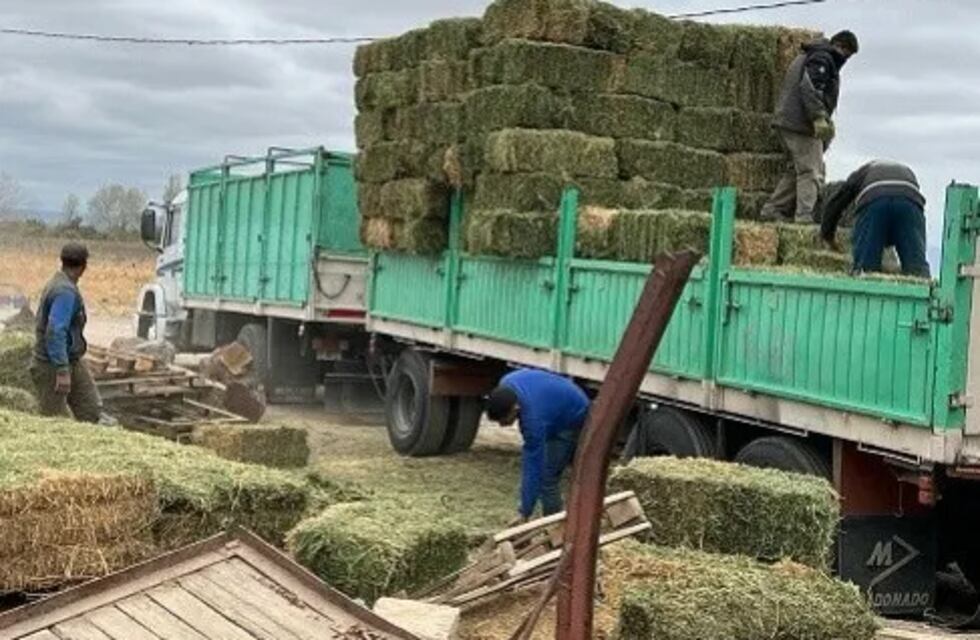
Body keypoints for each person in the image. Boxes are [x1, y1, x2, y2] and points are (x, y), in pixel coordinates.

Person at [761, 30, 860, 223]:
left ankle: (773, 209)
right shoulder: (822, 58)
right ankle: (804, 217)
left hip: (786, 121)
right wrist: (819, 118)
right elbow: (810, 88)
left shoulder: (812, 54)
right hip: (800, 124)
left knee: (796, 169)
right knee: (812, 171)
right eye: (847, 54)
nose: (846, 59)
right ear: (840, 46)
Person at [485, 368, 590, 521]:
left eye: (503, 420)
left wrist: (524, 512)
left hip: (572, 416)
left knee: (547, 478)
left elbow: (533, 465)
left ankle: (553, 527)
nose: (502, 426)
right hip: (554, 402)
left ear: (516, 409)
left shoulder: (534, 421)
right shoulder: (506, 384)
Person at [30, 243, 105, 422]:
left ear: (62, 261)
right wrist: (62, 371)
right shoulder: (64, 291)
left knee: (90, 409)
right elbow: (55, 330)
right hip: (50, 365)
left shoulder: (62, 283)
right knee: (54, 419)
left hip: (72, 360)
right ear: (83, 267)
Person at [820, 160, 929, 277]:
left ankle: (864, 281)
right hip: (909, 202)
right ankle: (921, 282)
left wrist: (827, 234)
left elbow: (838, 202)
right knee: (916, 268)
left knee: (866, 269)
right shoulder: (907, 171)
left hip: (875, 201)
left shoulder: (862, 173)